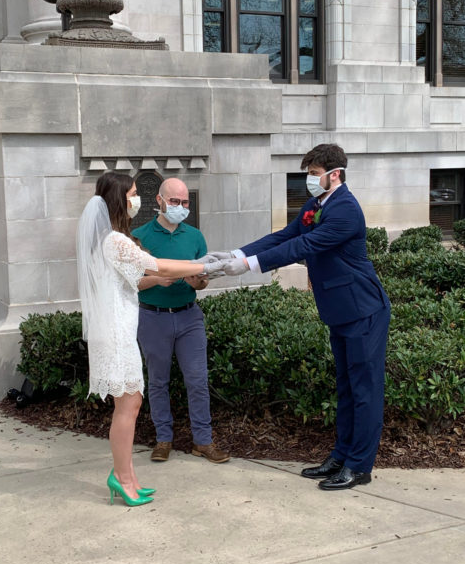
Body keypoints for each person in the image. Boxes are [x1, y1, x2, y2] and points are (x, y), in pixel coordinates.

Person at [205, 144, 391, 490]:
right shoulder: (316, 206)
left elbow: (303, 247)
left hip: (364, 310)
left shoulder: (346, 209)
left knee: (365, 391)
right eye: (308, 172)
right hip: (340, 311)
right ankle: (341, 456)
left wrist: (247, 267)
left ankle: (359, 466)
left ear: (335, 175)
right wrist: (236, 253)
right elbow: (286, 236)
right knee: (347, 389)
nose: (309, 179)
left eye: (314, 173)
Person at [76, 173, 224, 507]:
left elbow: (135, 280)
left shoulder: (112, 239)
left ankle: (128, 476)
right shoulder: (116, 240)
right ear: (118, 200)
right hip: (115, 332)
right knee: (128, 406)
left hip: (121, 329)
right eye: (131, 194)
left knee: (130, 403)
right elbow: (155, 265)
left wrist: (186, 271)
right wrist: (207, 263)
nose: (135, 200)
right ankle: (122, 478)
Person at [133, 178, 230, 464]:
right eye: (174, 201)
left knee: (198, 380)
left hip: (189, 317)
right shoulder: (139, 236)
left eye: (185, 202)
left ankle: (203, 441)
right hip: (152, 317)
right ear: (160, 201)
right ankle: (163, 439)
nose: (180, 206)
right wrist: (156, 279)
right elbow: (132, 282)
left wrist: (198, 281)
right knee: (158, 382)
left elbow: (203, 283)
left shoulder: (195, 236)